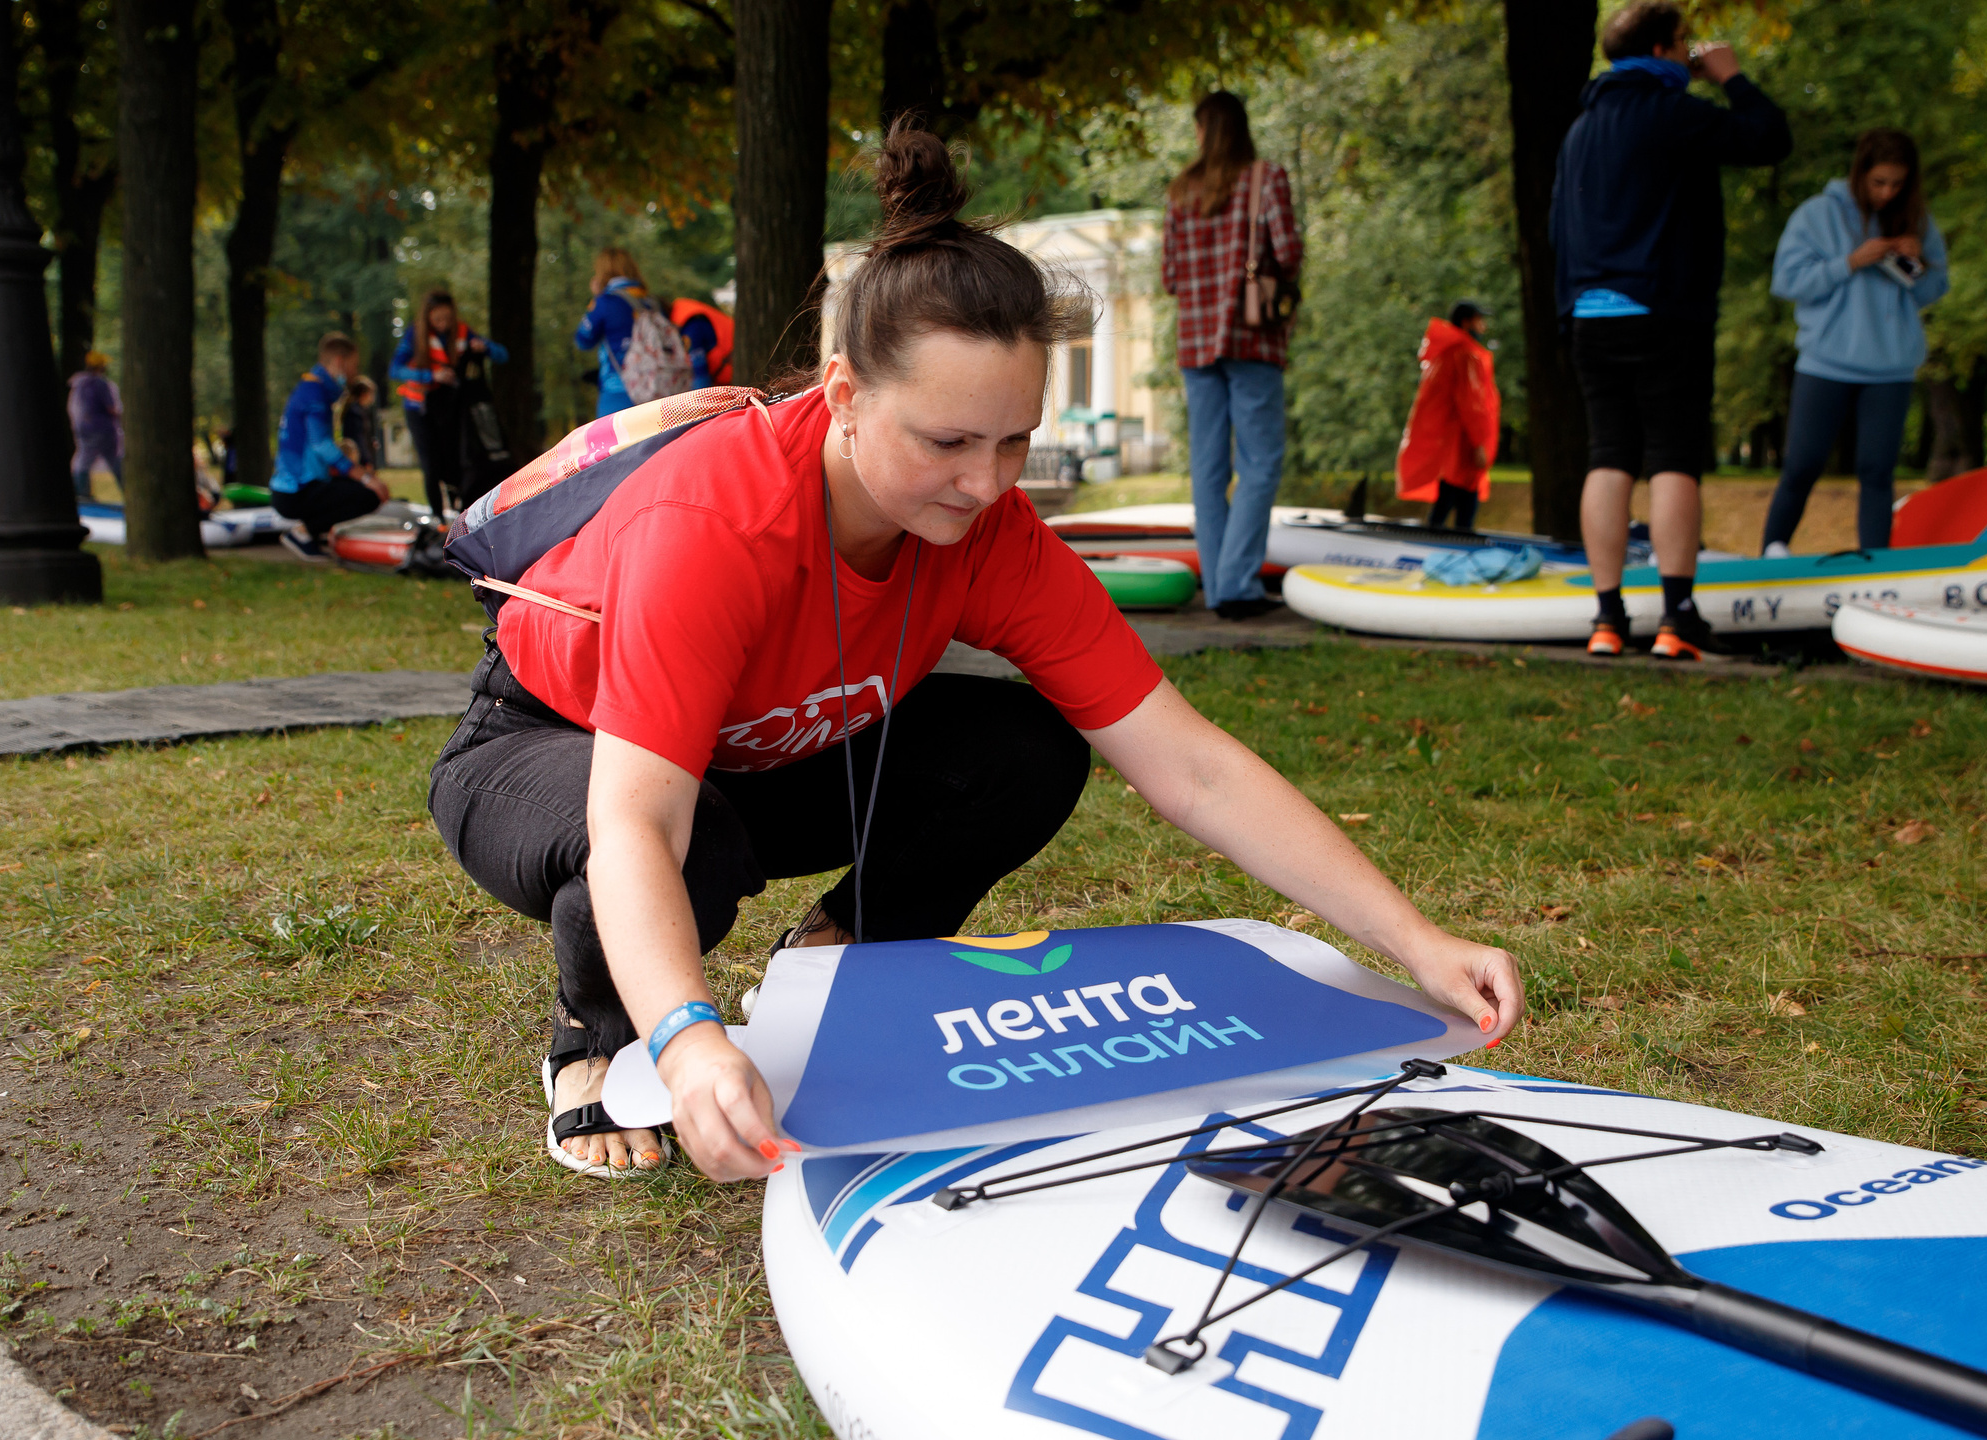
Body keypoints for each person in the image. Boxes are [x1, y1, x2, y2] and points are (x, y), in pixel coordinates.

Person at [426, 121, 1523, 1180]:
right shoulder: (715, 520)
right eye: (947, 441)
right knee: (687, 848)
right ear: (845, 396)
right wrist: (683, 1033)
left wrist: (1413, 941)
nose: (987, 482)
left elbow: (1192, 767)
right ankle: (591, 1035)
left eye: (1015, 441)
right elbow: (637, 816)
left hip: (753, 759)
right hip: (547, 751)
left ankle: (828, 971)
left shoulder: (990, 532)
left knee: (1027, 748)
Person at [1551, 0, 1789, 658]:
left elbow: (1557, 231)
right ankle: (1677, 619)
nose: (1692, 51)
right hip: (1663, 311)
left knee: (1609, 455)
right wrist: (1731, 77)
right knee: (1673, 458)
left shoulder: (1580, 131)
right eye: (1685, 41)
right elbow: (1768, 137)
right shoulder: (1672, 113)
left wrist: (1569, 308)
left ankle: (1606, 620)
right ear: (1661, 50)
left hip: (1589, 314)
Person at [1759, 129, 1949, 556]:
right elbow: (1787, 282)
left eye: (1897, 183)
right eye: (1879, 182)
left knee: (1877, 472)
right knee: (1801, 467)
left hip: (1891, 369)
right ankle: (1771, 554)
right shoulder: (1817, 215)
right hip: (1825, 362)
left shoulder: (1919, 220)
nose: (1887, 192)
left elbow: (1934, 289)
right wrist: (1850, 263)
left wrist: (1918, 265)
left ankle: (1874, 565)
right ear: (1860, 174)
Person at [1162, 91, 1302, 622]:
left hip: (1196, 341)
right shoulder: (1266, 178)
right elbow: (1286, 254)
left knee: (1207, 468)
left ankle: (1220, 584)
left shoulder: (1180, 191)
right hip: (1251, 337)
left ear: (1203, 131)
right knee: (1260, 462)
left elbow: (1170, 277)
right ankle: (1237, 585)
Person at [271, 332, 388, 559]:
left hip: (290, 488)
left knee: (356, 490)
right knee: (367, 496)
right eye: (354, 366)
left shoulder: (309, 388)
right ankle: (303, 532)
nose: (355, 373)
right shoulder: (315, 394)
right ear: (339, 362)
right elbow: (321, 445)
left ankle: (310, 533)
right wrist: (365, 477)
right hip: (297, 490)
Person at [392, 292, 504, 518]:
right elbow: (395, 370)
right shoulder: (415, 335)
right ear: (428, 317)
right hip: (419, 409)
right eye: (438, 319)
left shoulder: (462, 332)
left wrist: (485, 347)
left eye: (447, 318)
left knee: (454, 462)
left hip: (449, 412)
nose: (443, 324)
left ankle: (458, 513)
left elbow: (503, 355)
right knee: (431, 465)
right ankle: (437, 518)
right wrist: (431, 375)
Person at [1395, 301, 1500, 533]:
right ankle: (1456, 545)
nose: (1483, 326)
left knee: (1449, 498)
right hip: (1462, 447)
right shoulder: (1465, 355)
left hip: (1452, 446)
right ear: (1466, 322)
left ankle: (1438, 539)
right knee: (1460, 501)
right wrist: (1479, 443)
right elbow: (1472, 404)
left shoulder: (1447, 353)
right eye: (1479, 320)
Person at [574, 251, 706, 416]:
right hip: (661, 392)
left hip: (619, 392)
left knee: (615, 441)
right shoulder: (655, 303)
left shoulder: (604, 302)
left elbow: (583, 340)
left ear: (602, 273)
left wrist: (597, 297)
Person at [67, 352, 123, 500]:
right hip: (103, 430)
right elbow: (111, 408)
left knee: (83, 459)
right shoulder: (100, 383)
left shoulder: (79, 383)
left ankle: (81, 493)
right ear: (99, 366)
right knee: (114, 460)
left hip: (83, 429)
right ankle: (130, 494)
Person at [672, 296, 736, 387]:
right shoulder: (682, 315)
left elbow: (701, 378)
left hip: (743, 375)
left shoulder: (691, 328)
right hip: (734, 377)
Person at [340, 375, 384, 479]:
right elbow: (358, 439)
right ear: (364, 394)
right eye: (371, 394)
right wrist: (367, 461)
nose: (373, 398)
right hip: (359, 461)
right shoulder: (355, 413)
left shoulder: (359, 411)